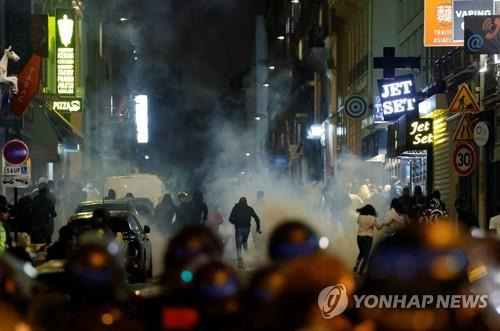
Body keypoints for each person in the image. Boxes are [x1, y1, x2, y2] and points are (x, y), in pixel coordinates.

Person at [353, 204, 388, 274]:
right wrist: (384, 224)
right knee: (366, 255)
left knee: (361, 252)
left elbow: (358, 222)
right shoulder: (372, 218)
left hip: (359, 237)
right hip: (368, 238)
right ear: (372, 211)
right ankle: (361, 271)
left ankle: (356, 266)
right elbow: (378, 228)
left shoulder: (360, 216)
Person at [229, 197, 261, 268]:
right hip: (246, 229)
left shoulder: (236, 208)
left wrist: (236, 222)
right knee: (244, 241)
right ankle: (247, 258)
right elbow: (257, 218)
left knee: (239, 245)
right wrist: (258, 227)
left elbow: (230, 219)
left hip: (239, 229)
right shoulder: (249, 209)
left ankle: (241, 262)